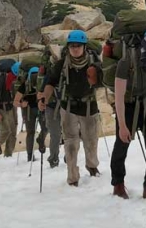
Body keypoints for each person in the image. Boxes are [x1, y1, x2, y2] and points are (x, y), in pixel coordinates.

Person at [40, 30, 102, 187]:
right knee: (70, 143)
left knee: (91, 139)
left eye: (78, 46)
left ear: (84, 46)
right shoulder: (61, 65)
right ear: (68, 47)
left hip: (89, 105)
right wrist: (44, 99)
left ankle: (92, 165)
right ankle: (72, 176)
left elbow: (104, 81)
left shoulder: (94, 62)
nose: (75, 49)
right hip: (68, 106)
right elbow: (51, 82)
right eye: (72, 46)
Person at [110, 24, 146, 199]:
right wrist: (122, 125)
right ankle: (118, 184)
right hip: (128, 105)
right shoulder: (126, 60)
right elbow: (119, 95)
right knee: (121, 146)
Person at [15, 66, 44, 161]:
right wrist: (21, 104)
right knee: (31, 132)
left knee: (45, 128)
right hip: (29, 111)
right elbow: (15, 102)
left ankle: (40, 140)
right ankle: (30, 155)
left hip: (37, 109)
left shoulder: (41, 84)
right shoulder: (25, 85)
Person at [0, 62, 19, 157]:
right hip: (2, 107)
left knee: (13, 130)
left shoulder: (16, 79)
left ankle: (8, 153)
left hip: (12, 106)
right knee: (6, 130)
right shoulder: (2, 80)